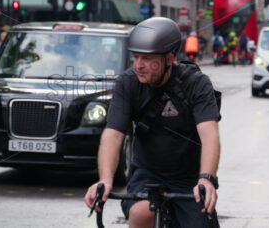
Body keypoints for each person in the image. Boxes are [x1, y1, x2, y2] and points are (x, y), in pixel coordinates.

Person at [84, 17, 221, 228]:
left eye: (146, 59)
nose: (138, 65)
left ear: (168, 59)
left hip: (189, 179)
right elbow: (113, 134)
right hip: (147, 174)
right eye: (135, 57)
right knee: (141, 214)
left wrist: (206, 179)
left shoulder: (196, 83)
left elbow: (210, 135)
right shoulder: (127, 83)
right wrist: (105, 179)